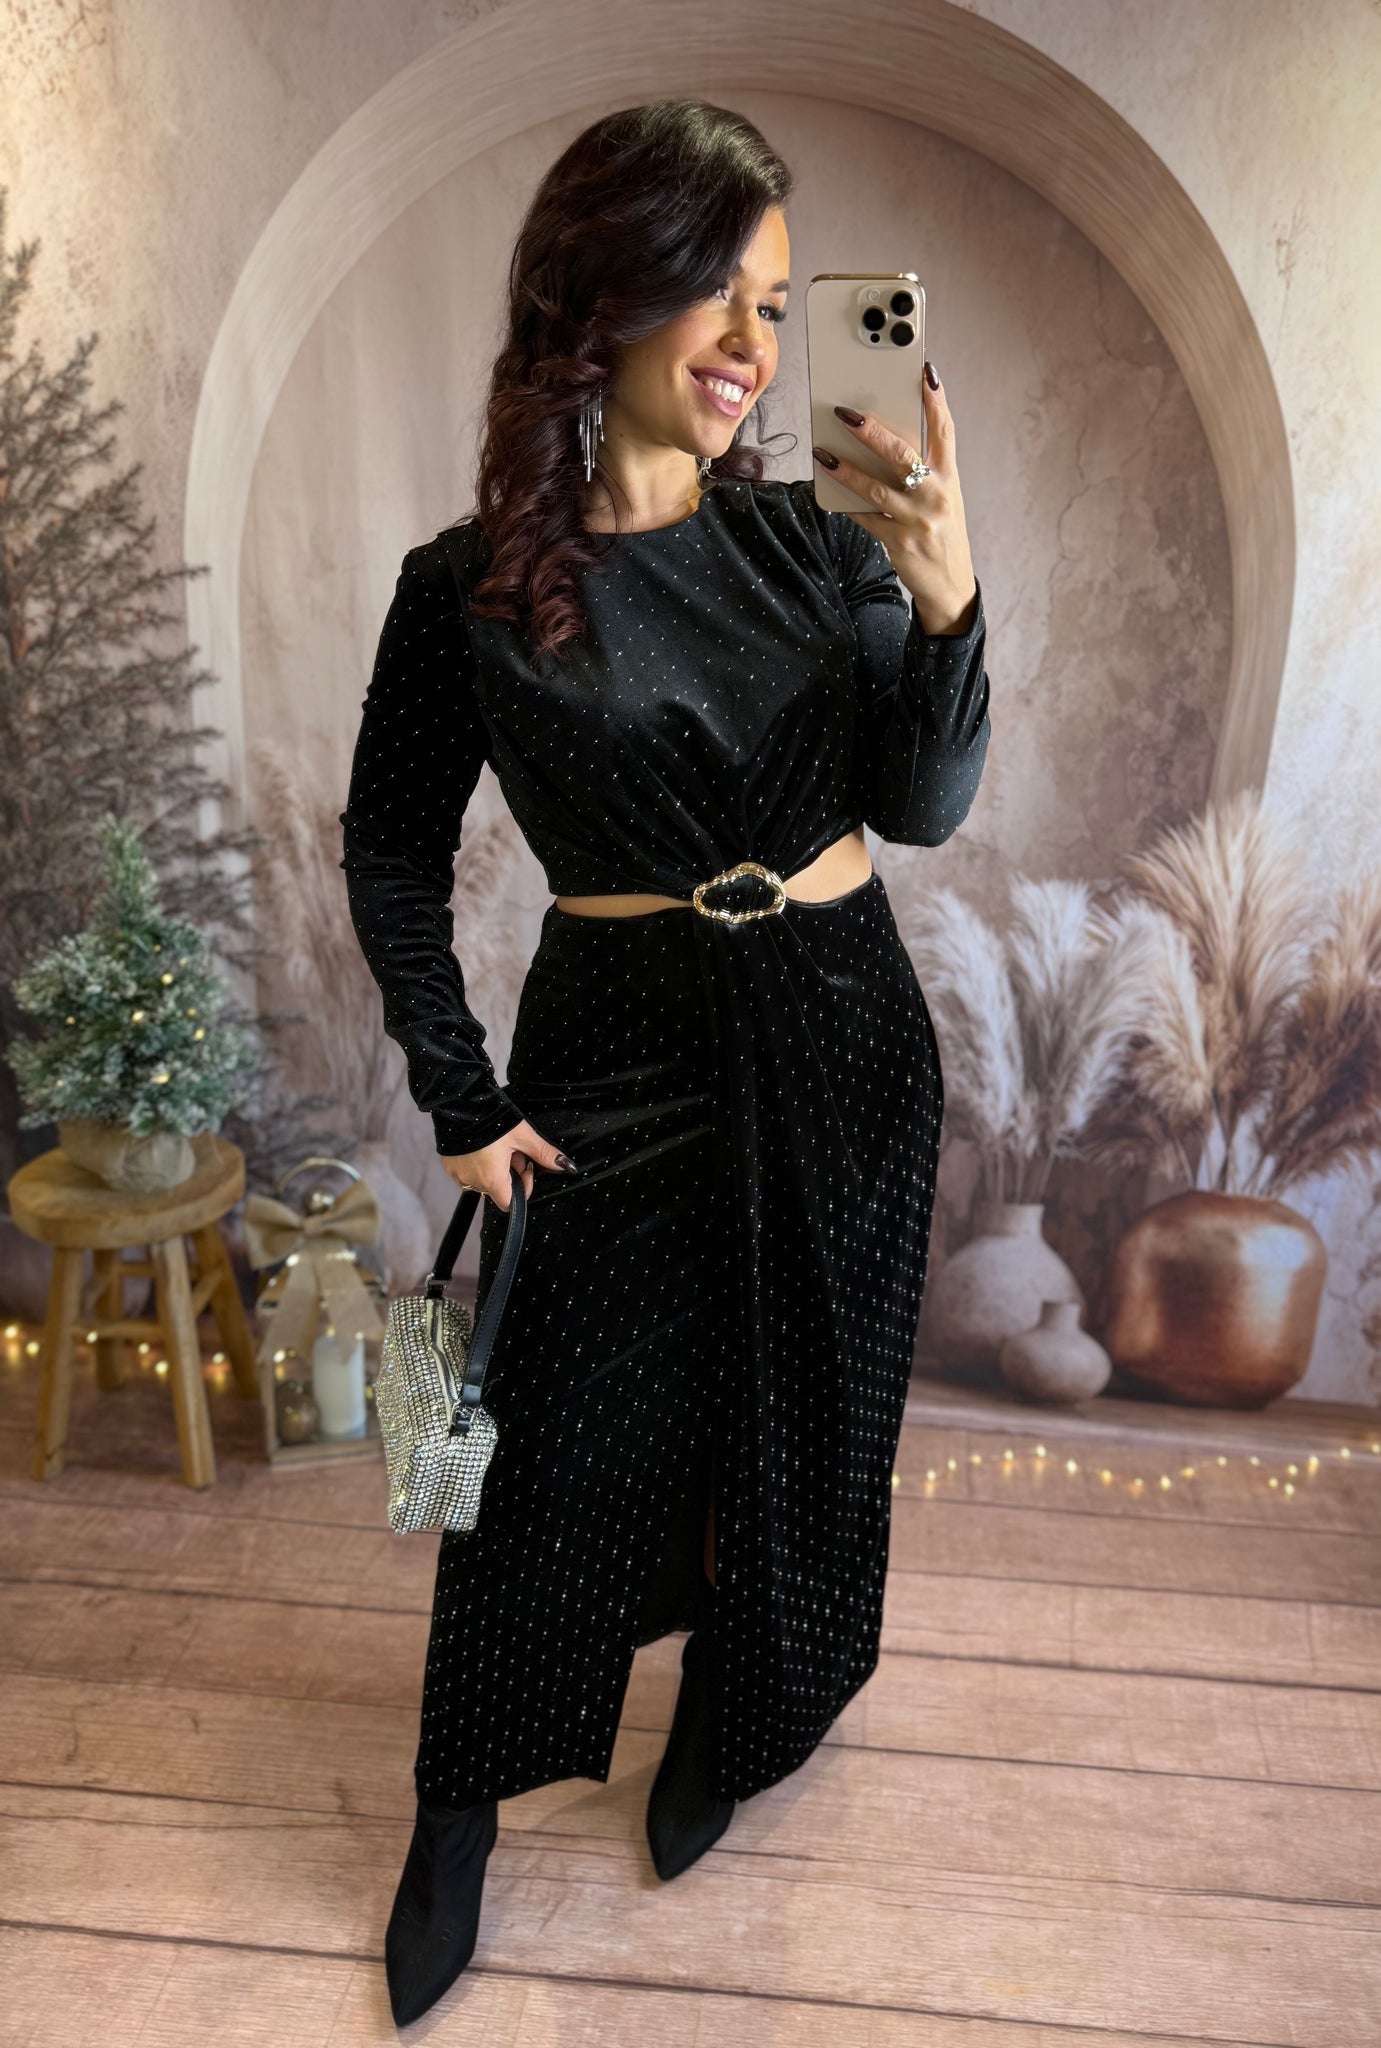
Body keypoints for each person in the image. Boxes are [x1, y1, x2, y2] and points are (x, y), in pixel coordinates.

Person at [339, 97, 990, 2026]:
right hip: (611, 1053)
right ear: (603, 288)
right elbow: (391, 853)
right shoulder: (461, 591)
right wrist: (460, 1095)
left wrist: (946, 596)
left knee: (804, 1420)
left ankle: (733, 1714)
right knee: (538, 1455)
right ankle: (458, 1810)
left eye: (778, 308)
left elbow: (923, 802)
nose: (752, 345)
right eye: (721, 290)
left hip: (843, 1038)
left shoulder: (816, 542)